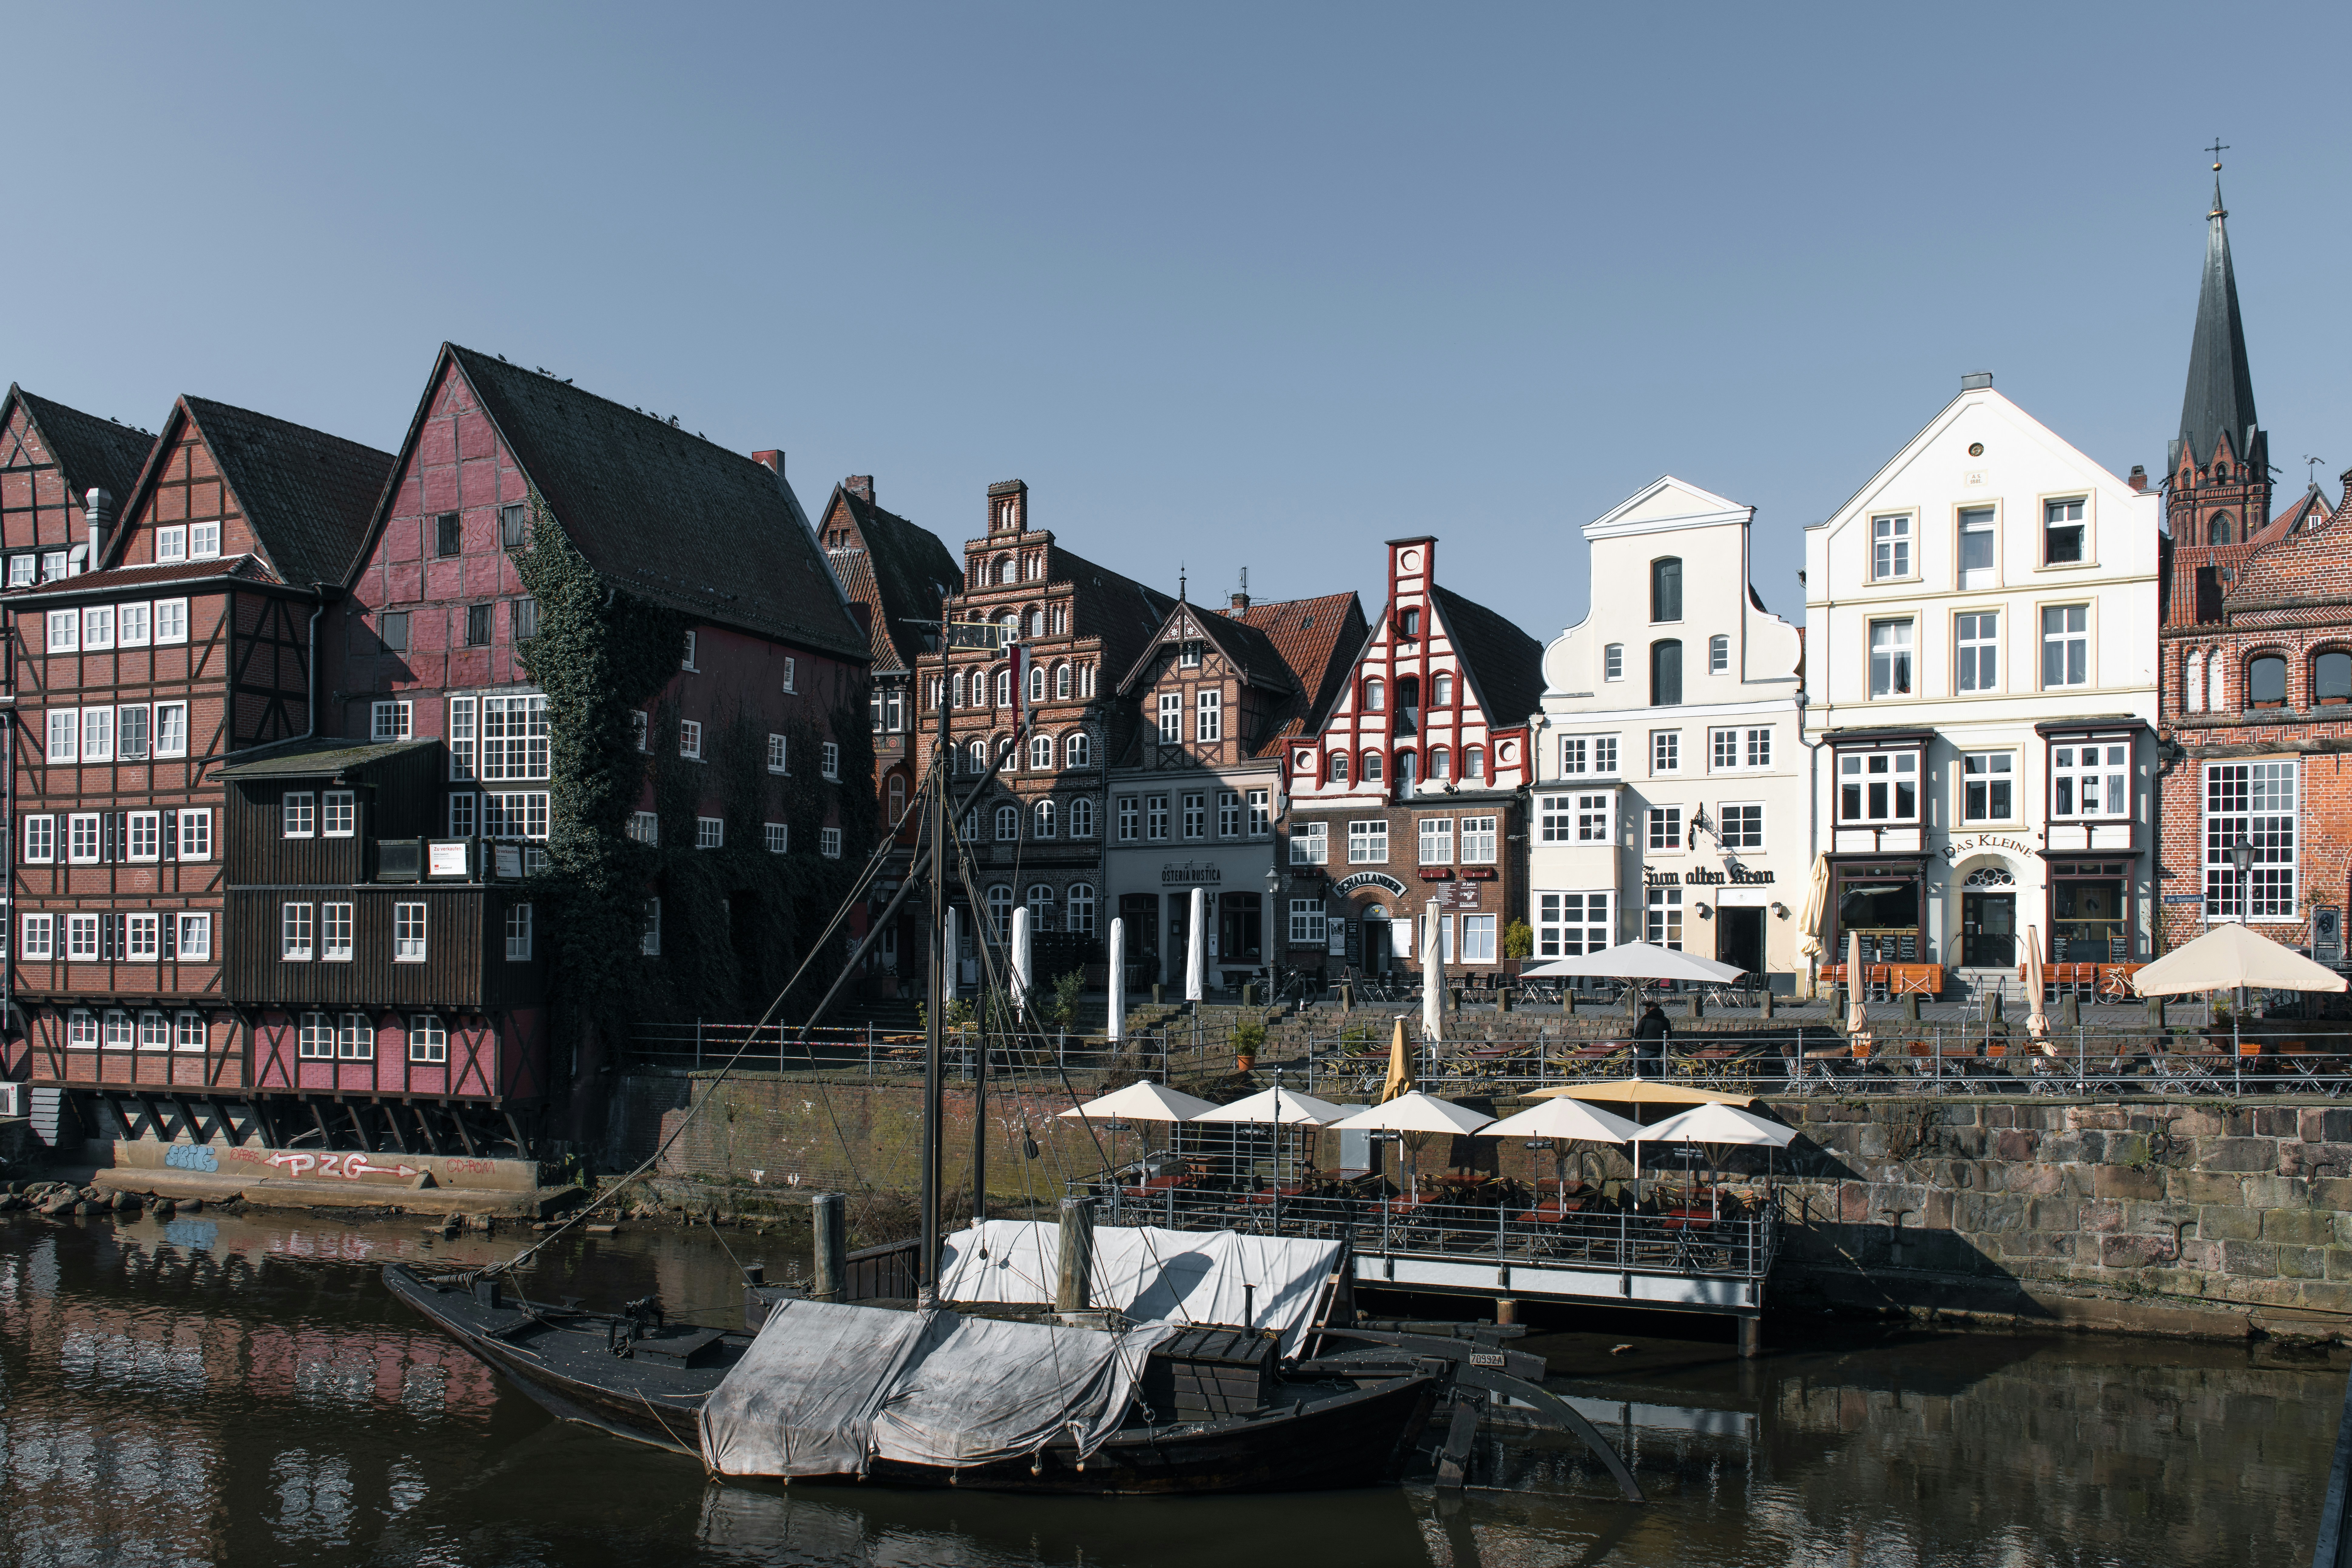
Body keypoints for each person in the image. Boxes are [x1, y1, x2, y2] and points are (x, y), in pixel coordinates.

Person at [1632, 1000, 1672, 1078]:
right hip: (1658, 1047)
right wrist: (1667, 1046)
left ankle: (1644, 1081)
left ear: (1651, 1009)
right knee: (1655, 1064)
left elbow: (1639, 1031)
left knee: (1643, 1064)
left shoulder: (1646, 1018)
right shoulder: (1665, 1020)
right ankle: (1655, 1081)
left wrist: (1636, 1042)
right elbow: (1669, 1035)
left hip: (1645, 1046)